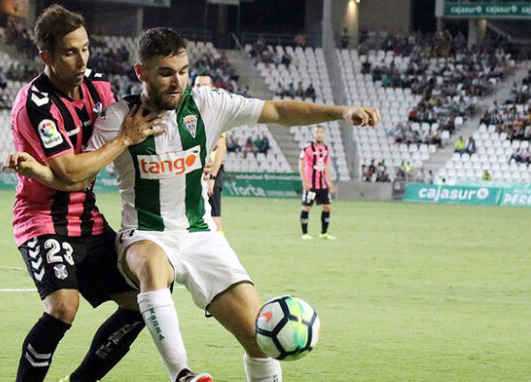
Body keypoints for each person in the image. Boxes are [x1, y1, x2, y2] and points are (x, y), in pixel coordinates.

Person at [86, 27, 379, 382]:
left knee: (260, 338)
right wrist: (120, 142)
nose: (177, 81)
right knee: (151, 265)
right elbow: (79, 171)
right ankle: (182, 374)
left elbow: (277, 110)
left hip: (200, 236)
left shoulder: (209, 105)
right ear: (141, 72)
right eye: (165, 73)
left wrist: (341, 112)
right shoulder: (118, 118)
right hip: (144, 234)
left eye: (183, 70)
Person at [1, 6, 164, 382]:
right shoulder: (35, 104)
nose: (82, 59)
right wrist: (124, 139)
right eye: (70, 52)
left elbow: (136, 116)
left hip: (85, 216)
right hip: (41, 217)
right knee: (63, 307)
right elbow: (70, 172)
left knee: (143, 302)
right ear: (47, 56)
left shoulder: (99, 87)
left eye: (86, 48)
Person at [194, 72, 226, 235]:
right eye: (198, 85)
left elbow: (221, 147)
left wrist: (212, 177)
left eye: (204, 85)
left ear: (212, 88)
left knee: (214, 216)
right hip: (192, 171)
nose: (200, 89)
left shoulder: (216, 113)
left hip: (210, 173)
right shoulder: (188, 111)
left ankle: (220, 252)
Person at [299, 125, 336, 240]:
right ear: (313, 134)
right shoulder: (307, 148)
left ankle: (324, 233)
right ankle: (305, 233)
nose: (319, 134)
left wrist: (329, 181)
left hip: (322, 185)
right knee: (307, 207)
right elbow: (301, 165)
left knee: (327, 206)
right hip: (311, 185)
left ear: (324, 134)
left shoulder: (326, 148)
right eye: (317, 132)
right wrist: (304, 182)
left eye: (321, 132)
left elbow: (326, 165)